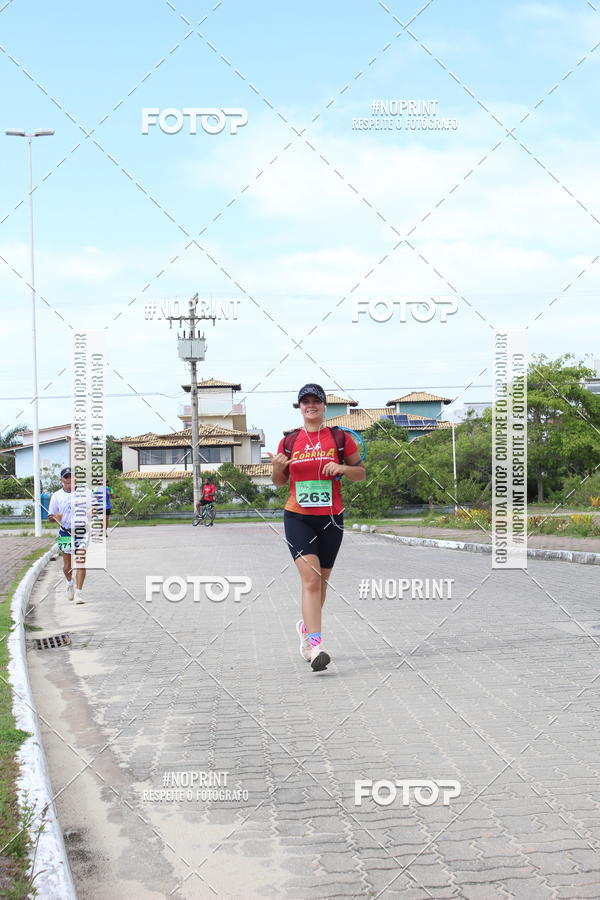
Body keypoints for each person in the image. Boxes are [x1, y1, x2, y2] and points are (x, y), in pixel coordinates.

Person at [269, 383, 366, 672]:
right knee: (311, 580)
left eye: (316, 401)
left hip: (331, 518)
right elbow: (279, 482)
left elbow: (361, 474)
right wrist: (277, 467)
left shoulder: (340, 438)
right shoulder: (289, 441)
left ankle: (305, 629)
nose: (310, 405)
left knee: (321, 583)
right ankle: (316, 647)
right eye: (305, 401)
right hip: (298, 516)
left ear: (324, 406)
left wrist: (343, 469)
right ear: (299, 407)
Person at [48, 467, 92, 604]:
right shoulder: (56, 496)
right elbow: (50, 516)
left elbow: (95, 507)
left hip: (81, 531)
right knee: (67, 565)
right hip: (65, 532)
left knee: (80, 562)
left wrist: (92, 512)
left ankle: (78, 593)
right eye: (66, 477)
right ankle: (69, 583)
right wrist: (55, 517)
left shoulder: (86, 492)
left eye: (72, 476)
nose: (69, 479)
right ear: (61, 479)